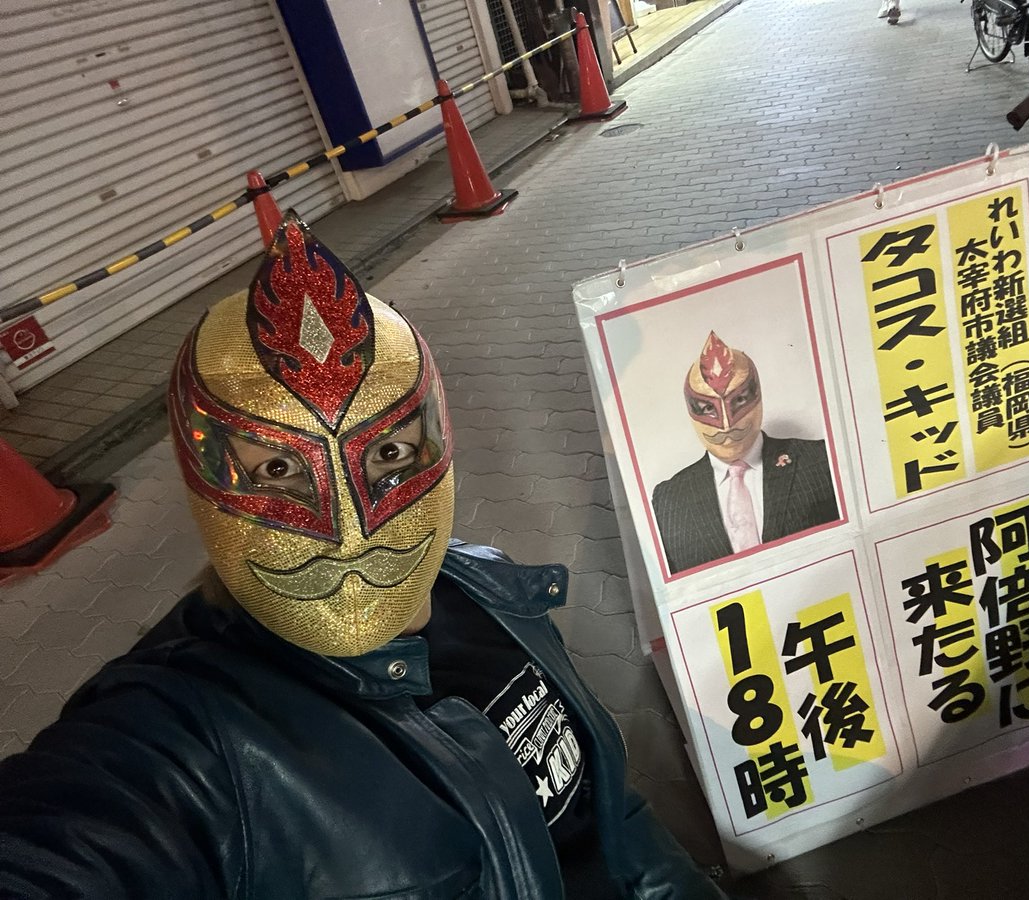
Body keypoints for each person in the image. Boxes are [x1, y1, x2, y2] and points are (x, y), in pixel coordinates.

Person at [0, 198, 728, 899]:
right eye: (278, 470)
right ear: (205, 480)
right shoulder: (189, 735)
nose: (352, 535)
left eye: (388, 452)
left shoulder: (493, 590)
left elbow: (610, 817)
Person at [651, 332, 840, 576]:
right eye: (707, 407)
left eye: (739, 400)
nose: (727, 426)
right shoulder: (669, 500)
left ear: (758, 396)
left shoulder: (820, 461)